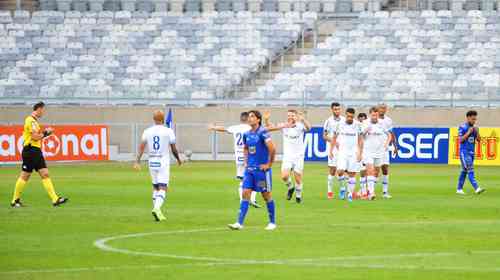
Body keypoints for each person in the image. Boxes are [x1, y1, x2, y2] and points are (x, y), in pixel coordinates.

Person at [11, 102, 68, 207]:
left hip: (35, 151)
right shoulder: (30, 120)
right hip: (31, 151)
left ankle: (55, 199)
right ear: (38, 109)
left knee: (45, 173)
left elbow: (36, 136)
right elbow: (35, 137)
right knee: (25, 176)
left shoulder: (34, 122)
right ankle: (15, 200)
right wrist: (46, 133)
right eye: (43, 110)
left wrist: (45, 132)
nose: (43, 112)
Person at [228, 110, 277, 231]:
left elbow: (273, 149)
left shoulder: (263, 132)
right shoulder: (247, 134)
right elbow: (245, 148)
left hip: (261, 172)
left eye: (252, 116)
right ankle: (239, 223)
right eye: (249, 116)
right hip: (249, 171)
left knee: (266, 196)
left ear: (258, 119)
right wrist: (245, 161)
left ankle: (272, 222)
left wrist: (268, 164)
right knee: (245, 193)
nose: (249, 118)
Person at [134, 110, 182, 222]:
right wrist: (178, 159)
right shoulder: (168, 131)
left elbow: (142, 147)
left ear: (154, 119)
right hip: (163, 161)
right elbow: (173, 148)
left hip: (151, 161)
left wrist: (137, 161)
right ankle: (156, 208)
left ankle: (158, 212)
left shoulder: (147, 131)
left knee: (155, 187)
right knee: (163, 187)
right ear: (163, 119)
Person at [208, 112, 261, 208]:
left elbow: (224, 129)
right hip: (250, 156)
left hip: (239, 156)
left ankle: (243, 200)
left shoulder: (235, 128)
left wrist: (213, 127)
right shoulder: (251, 128)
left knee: (242, 178)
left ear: (241, 119)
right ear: (248, 119)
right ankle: (252, 199)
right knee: (256, 177)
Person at [263, 110, 311, 203]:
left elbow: (309, 128)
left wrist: (303, 120)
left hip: (299, 156)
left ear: (296, 117)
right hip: (288, 156)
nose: (290, 117)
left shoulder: (300, 126)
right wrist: (266, 120)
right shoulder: (284, 126)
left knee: (298, 178)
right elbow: (270, 127)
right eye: (289, 115)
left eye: (292, 115)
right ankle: (290, 188)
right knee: (284, 176)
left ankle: (298, 197)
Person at [329, 108, 363, 202]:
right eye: (348, 116)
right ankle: (342, 188)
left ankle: (350, 194)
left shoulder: (358, 125)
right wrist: (331, 150)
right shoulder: (339, 124)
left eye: (351, 116)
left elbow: (360, 140)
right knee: (340, 171)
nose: (349, 118)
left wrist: (360, 153)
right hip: (342, 152)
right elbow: (334, 138)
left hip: (353, 152)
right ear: (346, 115)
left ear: (354, 116)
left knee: (352, 174)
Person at [361, 107, 391, 201]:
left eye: (376, 115)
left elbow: (389, 134)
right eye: (373, 115)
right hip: (368, 151)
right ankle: (371, 192)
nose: (375, 117)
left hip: (379, 151)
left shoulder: (382, 123)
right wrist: (366, 131)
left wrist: (386, 144)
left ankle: (366, 190)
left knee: (376, 172)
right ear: (370, 114)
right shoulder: (365, 123)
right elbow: (360, 135)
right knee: (370, 170)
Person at [456, 110, 485, 195]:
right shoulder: (462, 127)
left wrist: (477, 132)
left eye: (475, 119)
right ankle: (477, 188)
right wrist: (469, 132)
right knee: (470, 169)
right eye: (473, 119)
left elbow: (479, 140)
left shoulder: (475, 128)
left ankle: (459, 189)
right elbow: (460, 140)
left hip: (472, 152)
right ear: (468, 118)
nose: (474, 121)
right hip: (464, 152)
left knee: (464, 170)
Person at [323, 102, 345, 199]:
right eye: (335, 109)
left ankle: (342, 189)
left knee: (341, 170)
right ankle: (330, 191)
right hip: (332, 148)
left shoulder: (344, 120)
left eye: (338, 109)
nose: (337, 111)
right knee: (332, 170)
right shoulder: (328, 121)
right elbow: (324, 136)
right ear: (332, 110)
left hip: (343, 148)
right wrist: (334, 141)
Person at [378, 104, 398, 199]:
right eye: (381, 108)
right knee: (373, 170)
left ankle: (385, 192)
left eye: (384, 108)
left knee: (385, 169)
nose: (382, 110)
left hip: (385, 148)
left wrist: (395, 146)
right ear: (378, 109)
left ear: (386, 110)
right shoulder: (373, 119)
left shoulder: (388, 120)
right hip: (374, 148)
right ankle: (368, 191)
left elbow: (391, 133)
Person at [357, 112, 368, 199]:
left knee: (369, 172)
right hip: (359, 151)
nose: (362, 120)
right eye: (360, 119)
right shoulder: (356, 127)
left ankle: (363, 190)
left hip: (368, 151)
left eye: (363, 119)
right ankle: (363, 191)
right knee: (362, 171)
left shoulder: (368, 126)